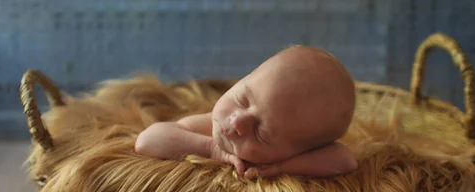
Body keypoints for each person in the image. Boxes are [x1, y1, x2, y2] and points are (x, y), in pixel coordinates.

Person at [134, 45, 358, 179]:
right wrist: (212, 149)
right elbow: (147, 140)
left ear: (292, 151)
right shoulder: (205, 128)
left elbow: (346, 160)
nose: (238, 121)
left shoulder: (290, 153)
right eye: (242, 99)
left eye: (261, 134)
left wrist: (282, 168)